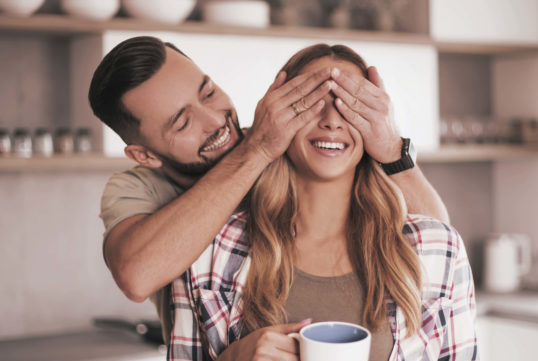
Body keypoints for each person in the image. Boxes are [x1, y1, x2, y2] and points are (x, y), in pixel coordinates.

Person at [160, 44, 486, 361]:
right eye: (311, 102)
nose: (332, 121)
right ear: (278, 115)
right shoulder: (210, 249)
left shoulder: (438, 250)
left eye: (351, 106)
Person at [88, 36, 449, 343]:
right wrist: (256, 149)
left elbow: (439, 252)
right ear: (144, 155)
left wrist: (392, 152)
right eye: (183, 123)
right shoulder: (137, 188)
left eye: (209, 93)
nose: (216, 121)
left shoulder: (289, 143)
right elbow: (137, 276)